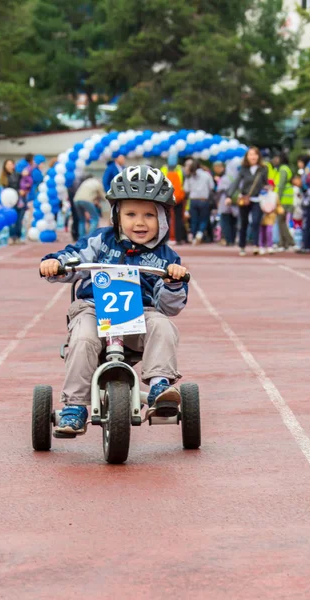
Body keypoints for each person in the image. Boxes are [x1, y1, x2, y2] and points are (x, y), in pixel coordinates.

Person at [39, 166, 189, 434]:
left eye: (149, 215)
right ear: (117, 215)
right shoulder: (100, 241)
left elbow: (170, 307)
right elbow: (74, 256)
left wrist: (173, 281)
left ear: (163, 219)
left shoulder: (167, 258)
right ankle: (75, 404)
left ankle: (159, 387)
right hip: (94, 311)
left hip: (140, 316)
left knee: (163, 325)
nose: (140, 223)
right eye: (131, 214)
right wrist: (55, 263)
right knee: (83, 337)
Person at [226, 146, 268, 256]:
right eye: (250, 155)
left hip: (257, 199)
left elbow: (265, 183)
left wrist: (268, 189)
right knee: (243, 223)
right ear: (247, 157)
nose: (253, 157)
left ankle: (255, 245)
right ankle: (242, 246)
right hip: (244, 199)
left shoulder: (263, 169)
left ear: (258, 156)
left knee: (255, 222)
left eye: (255, 154)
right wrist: (229, 195)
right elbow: (236, 182)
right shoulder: (243, 169)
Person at [184, 159, 215, 245]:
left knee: (194, 220)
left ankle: (194, 237)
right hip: (203, 200)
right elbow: (212, 186)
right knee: (204, 219)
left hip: (193, 200)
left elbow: (186, 189)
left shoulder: (190, 176)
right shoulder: (206, 175)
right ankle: (200, 233)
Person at [269, 152, 294, 250]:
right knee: (281, 221)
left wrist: (277, 198)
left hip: (284, 199)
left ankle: (287, 241)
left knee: (281, 221)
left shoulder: (283, 170)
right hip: (285, 199)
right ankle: (284, 242)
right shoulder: (281, 170)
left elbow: (281, 185)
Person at [161, 151, 187, 244]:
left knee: (166, 218)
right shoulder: (181, 169)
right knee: (178, 218)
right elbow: (184, 182)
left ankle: (166, 238)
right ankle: (178, 239)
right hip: (178, 197)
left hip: (166, 197)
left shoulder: (163, 169)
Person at [0, 159, 23, 244]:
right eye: (7, 164)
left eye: (11, 164)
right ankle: (11, 237)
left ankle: (18, 236)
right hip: (8, 201)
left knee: (19, 219)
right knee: (10, 220)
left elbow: (23, 185)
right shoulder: (3, 177)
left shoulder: (18, 175)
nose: (9, 166)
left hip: (18, 200)